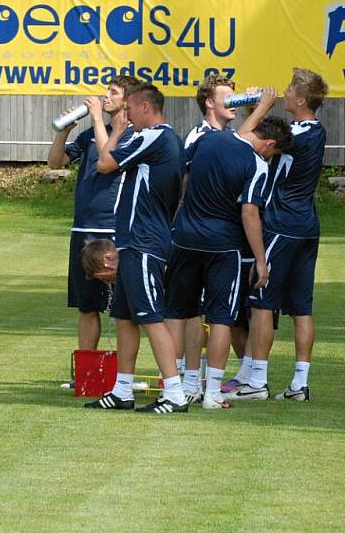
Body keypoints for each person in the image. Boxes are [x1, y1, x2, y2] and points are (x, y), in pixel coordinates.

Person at [165, 89, 291, 409]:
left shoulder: (208, 140)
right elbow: (250, 213)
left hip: (185, 238)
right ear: (270, 145)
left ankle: (182, 384)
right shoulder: (257, 164)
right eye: (272, 154)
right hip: (224, 247)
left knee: (180, 313)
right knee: (221, 318)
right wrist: (261, 261)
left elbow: (183, 179)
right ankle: (212, 394)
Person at [83, 83, 187, 414]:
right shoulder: (158, 139)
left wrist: (114, 129)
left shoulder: (154, 136)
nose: (126, 114)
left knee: (151, 318)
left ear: (145, 108)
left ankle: (174, 392)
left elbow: (104, 163)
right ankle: (122, 390)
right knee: (125, 317)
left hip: (144, 241)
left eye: (129, 108)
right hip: (132, 240)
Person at [228, 68, 329, 402]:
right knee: (302, 308)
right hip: (307, 226)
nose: (284, 93)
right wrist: (257, 110)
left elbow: (243, 142)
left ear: (300, 99)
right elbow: (268, 136)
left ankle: (257, 381)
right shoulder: (316, 130)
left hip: (281, 225)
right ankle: (300, 383)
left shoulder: (295, 132)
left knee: (262, 304)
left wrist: (260, 107)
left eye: (288, 90)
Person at [47, 76, 138, 389]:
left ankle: (124, 375)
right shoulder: (90, 134)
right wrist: (64, 132)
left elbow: (106, 160)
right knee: (87, 305)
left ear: (129, 101)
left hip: (113, 229)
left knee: (123, 307)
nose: (105, 96)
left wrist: (99, 117)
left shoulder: (133, 134)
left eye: (113, 93)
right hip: (82, 228)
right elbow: (55, 162)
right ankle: (85, 373)